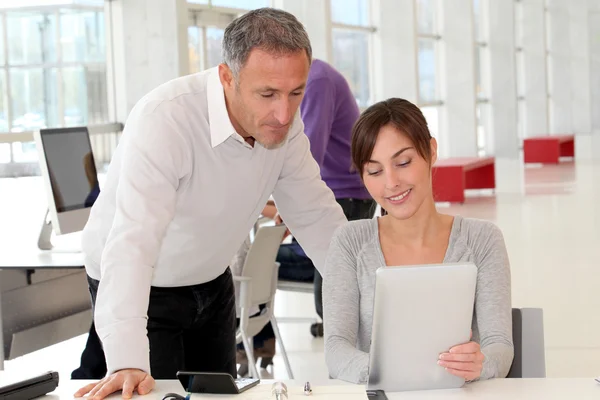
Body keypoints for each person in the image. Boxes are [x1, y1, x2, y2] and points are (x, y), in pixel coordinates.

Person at [73, 8, 347, 400]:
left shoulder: (284, 122)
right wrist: (127, 359)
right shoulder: (166, 120)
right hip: (144, 287)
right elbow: (132, 243)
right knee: (148, 392)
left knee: (217, 397)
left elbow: (318, 217)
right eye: (267, 94)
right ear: (226, 77)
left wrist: (377, 301)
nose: (284, 113)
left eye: (296, 93)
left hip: (213, 281)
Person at [323, 98, 514, 384]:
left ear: (431, 151)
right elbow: (336, 350)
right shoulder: (350, 243)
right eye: (374, 171)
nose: (391, 182)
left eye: (403, 162)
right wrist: (394, 372)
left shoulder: (482, 241)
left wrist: (480, 363)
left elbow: (499, 345)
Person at [235, 59, 376, 375]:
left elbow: (309, 149)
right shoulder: (315, 79)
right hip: (340, 191)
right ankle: (263, 340)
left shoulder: (318, 81)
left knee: (333, 286)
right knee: (332, 278)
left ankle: (355, 362)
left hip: (341, 195)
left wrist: (286, 206)